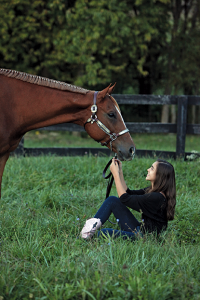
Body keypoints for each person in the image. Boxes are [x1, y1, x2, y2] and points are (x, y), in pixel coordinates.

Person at [80, 158, 176, 240]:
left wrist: (115, 175)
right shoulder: (152, 191)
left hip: (144, 238)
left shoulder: (156, 197)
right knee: (112, 200)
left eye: (152, 168)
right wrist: (120, 171)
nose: (148, 170)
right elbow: (129, 193)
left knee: (104, 233)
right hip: (140, 229)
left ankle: (85, 237)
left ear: (159, 175)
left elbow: (125, 198)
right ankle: (87, 233)